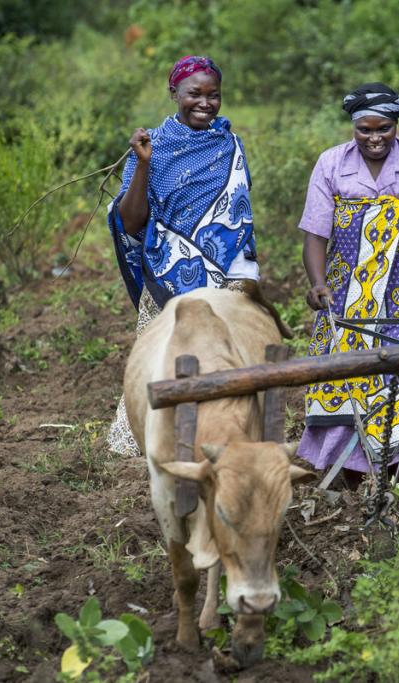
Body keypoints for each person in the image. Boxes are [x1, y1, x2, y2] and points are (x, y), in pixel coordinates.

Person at [297, 82, 399, 485]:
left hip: (398, 296)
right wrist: (317, 283)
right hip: (343, 295)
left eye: (384, 129)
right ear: (353, 128)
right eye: (365, 130)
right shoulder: (332, 164)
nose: (375, 139)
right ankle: (344, 474)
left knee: (394, 374)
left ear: (396, 124)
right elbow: (315, 236)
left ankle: (388, 469)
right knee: (342, 373)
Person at [106, 55, 261, 457]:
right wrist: (142, 166)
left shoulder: (228, 144)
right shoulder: (152, 147)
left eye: (214, 95)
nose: (205, 103)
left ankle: (219, 439)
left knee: (223, 362)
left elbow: (236, 216)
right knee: (160, 362)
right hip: (167, 277)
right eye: (195, 93)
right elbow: (132, 222)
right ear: (174, 93)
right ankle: (151, 446)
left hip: (227, 279)